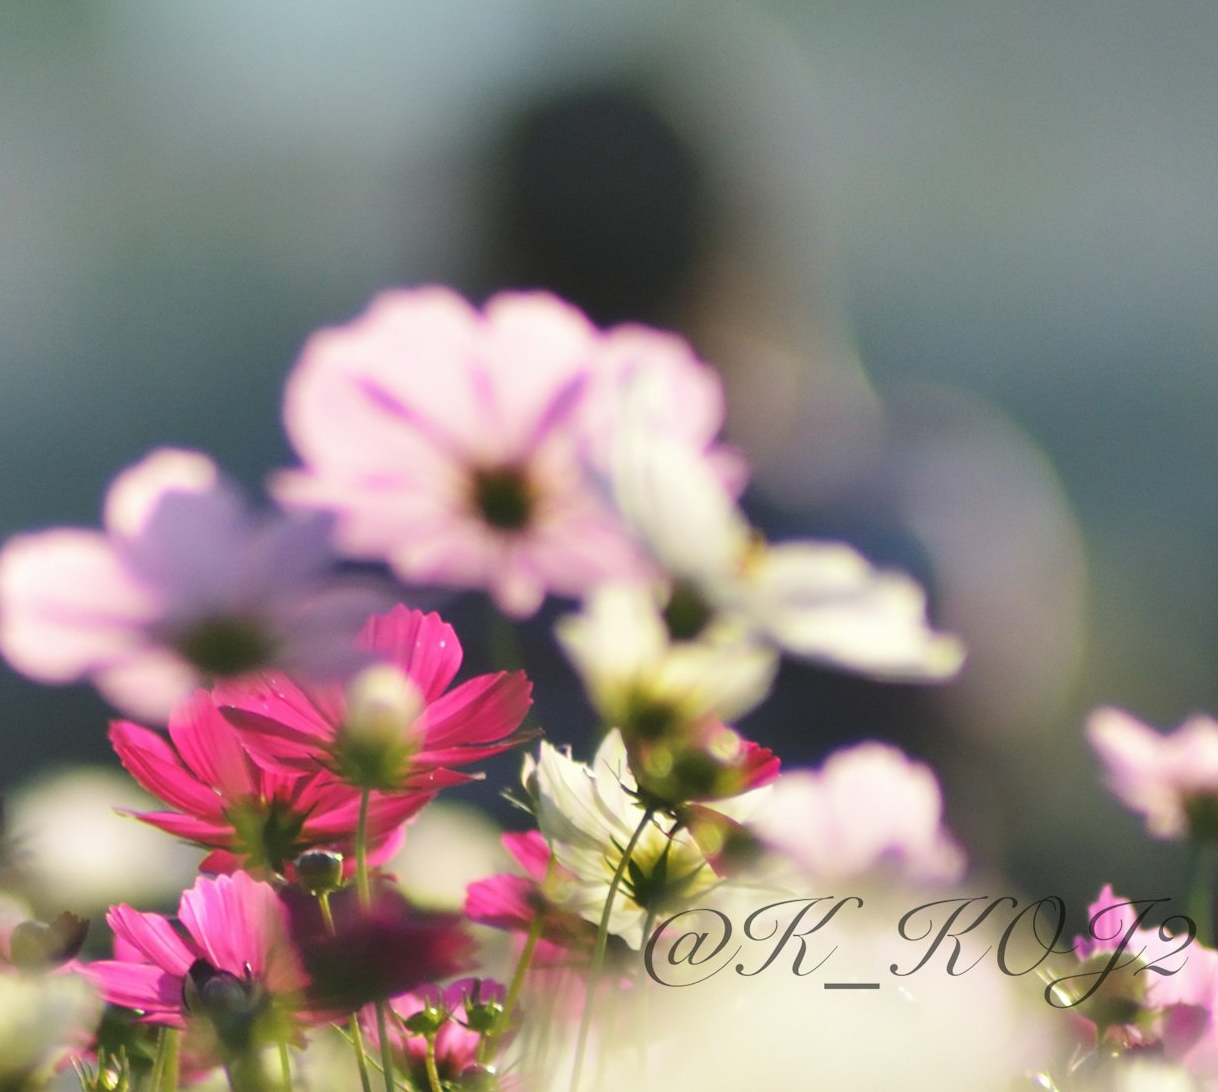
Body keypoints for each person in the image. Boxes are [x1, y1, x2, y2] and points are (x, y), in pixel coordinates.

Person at [463, 65, 1086, 868]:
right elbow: (1008, 694)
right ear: (737, 255)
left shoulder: (423, 572)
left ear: (488, 265)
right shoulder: (921, 500)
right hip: (870, 963)